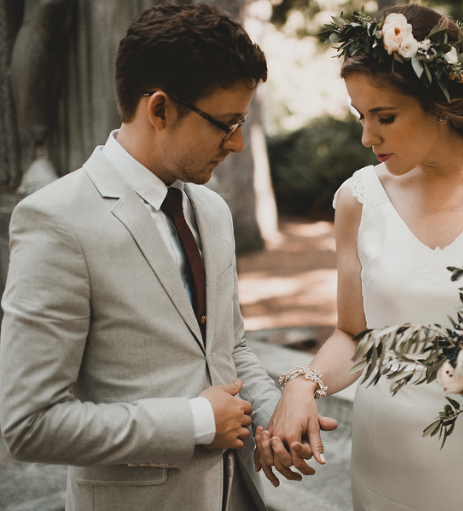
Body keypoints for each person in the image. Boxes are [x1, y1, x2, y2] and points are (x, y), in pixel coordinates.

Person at [0, 4, 333, 511]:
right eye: (225, 124)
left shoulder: (212, 209)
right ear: (159, 109)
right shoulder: (56, 220)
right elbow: (29, 424)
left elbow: (230, 347)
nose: (239, 143)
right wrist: (197, 422)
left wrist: (274, 419)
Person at [255, 4, 463, 511]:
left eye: (385, 117)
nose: (366, 137)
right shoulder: (358, 200)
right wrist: (301, 387)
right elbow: (353, 335)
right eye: (361, 116)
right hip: (386, 464)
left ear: (442, 102)